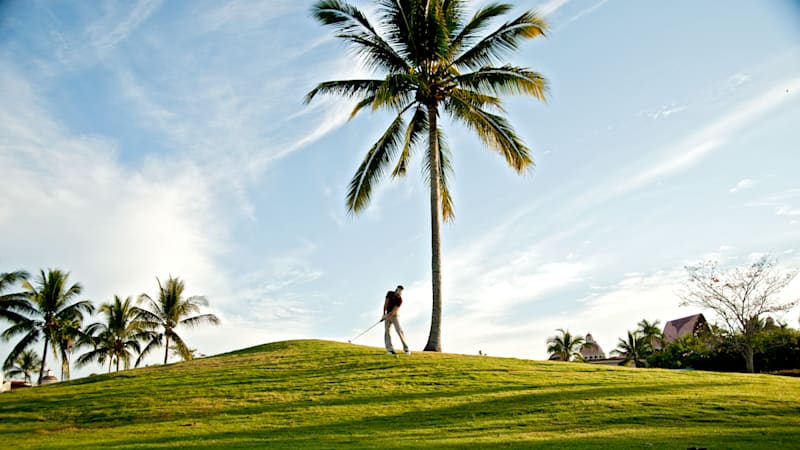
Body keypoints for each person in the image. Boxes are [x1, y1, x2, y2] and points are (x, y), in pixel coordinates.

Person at [383, 285, 410, 355]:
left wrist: (387, 316)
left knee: (399, 330)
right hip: (387, 314)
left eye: (400, 293)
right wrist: (383, 314)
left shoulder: (400, 300)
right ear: (395, 290)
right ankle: (390, 349)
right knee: (387, 332)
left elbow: (394, 311)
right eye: (398, 292)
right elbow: (385, 304)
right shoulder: (389, 293)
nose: (399, 294)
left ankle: (406, 349)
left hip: (395, 316)